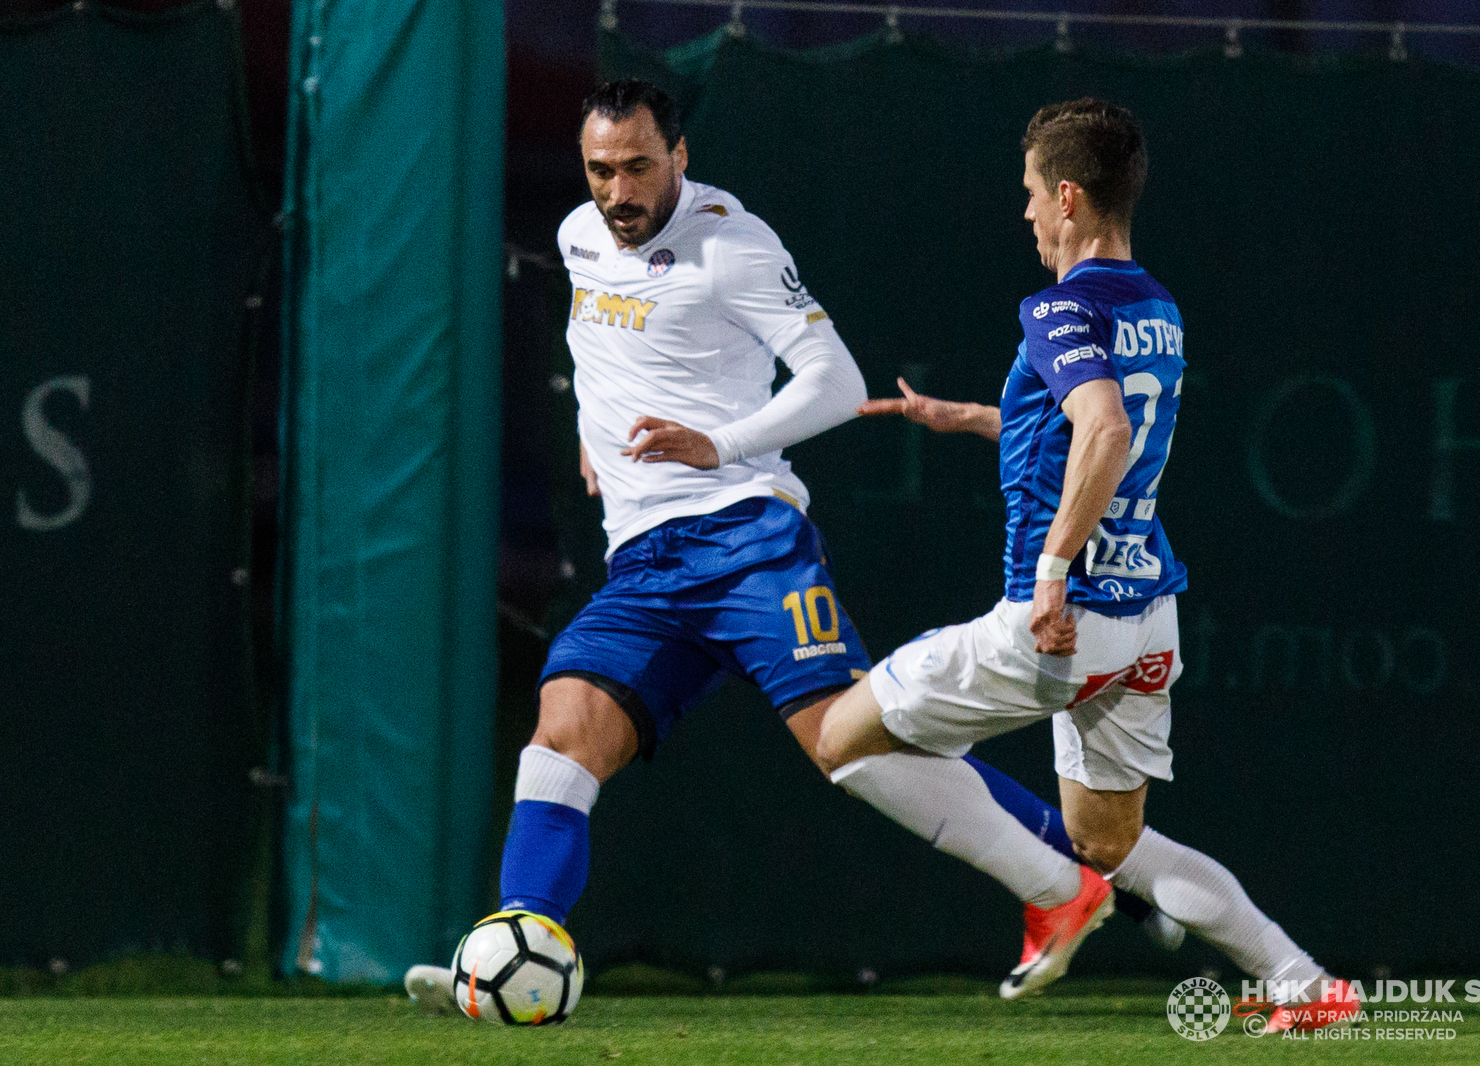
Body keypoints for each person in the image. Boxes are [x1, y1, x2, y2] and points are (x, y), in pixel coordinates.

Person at [404, 79, 1173, 1015]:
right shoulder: (576, 236)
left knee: (851, 739)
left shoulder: (734, 244)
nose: (618, 192)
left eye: (639, 168)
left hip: (746, 535)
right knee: (558, 740)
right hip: (644, 562)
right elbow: (605, 341)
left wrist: (719, 444)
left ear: (680, 158)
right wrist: (593, 433)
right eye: (600, 170)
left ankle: (1074, 878)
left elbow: (837, 382)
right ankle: (517, 945)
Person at [818, 98, 1360, 1028]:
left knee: (841, 737)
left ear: (1067, 196)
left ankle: (1049, 892)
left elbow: (1105, 428)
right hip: (1148, 617)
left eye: (1030, 193)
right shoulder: (1155, 302)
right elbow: (1096, 425)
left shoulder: (1058, 306)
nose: (1025, 212)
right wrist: (979, 419)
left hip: (1062, 623)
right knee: (1111, 839)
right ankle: (1305, 985)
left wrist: (1051, 571)